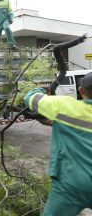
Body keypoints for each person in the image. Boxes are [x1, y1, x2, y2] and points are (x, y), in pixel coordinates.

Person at [24, 72, 92, 216]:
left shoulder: (65, 106)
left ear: (81, 91)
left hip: (70, 185)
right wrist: (55, 123)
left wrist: (43, 89)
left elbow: (30, 98)